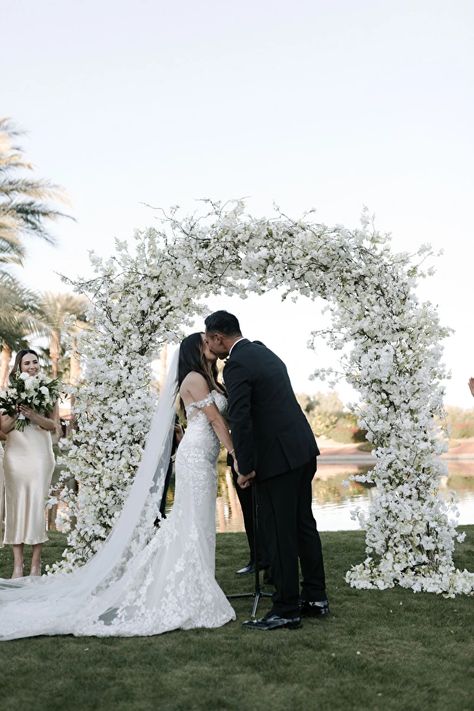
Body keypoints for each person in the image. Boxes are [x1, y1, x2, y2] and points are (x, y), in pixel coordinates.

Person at [0, 333, 236, 640]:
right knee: (190, 523)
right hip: (196, 456)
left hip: (202, 457)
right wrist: (235, 453)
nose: (211, 345)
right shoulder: (194, 377)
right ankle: (187, 586)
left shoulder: (208, 378)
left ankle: (197, 581)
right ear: (196, 350)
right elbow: (216, 420)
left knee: (197, 524)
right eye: (205, 342)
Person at [205, 310, 328, 631]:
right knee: (303, 525)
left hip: (277, 460)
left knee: (278, 532)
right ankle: (316, 597)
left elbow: (242, 419)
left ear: (219, 338)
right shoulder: (263, 351)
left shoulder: (238, 365)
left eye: (209, 340)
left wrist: (244, 466)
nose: (209, 347)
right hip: (301, 451)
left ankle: (287, 608)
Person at [0, 350, 57, 578]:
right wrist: (17, 411)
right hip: (16, 456)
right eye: (27, 363)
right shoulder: (8, 393)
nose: (32, 366)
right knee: (15, 508)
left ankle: (35, 565)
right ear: (19, 367)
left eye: (35, 362)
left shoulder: (49, 389)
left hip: (41, 455)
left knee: (35, 507)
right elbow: (3, 429)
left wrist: (34, 415)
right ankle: (17, 565)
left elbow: (53, 425)